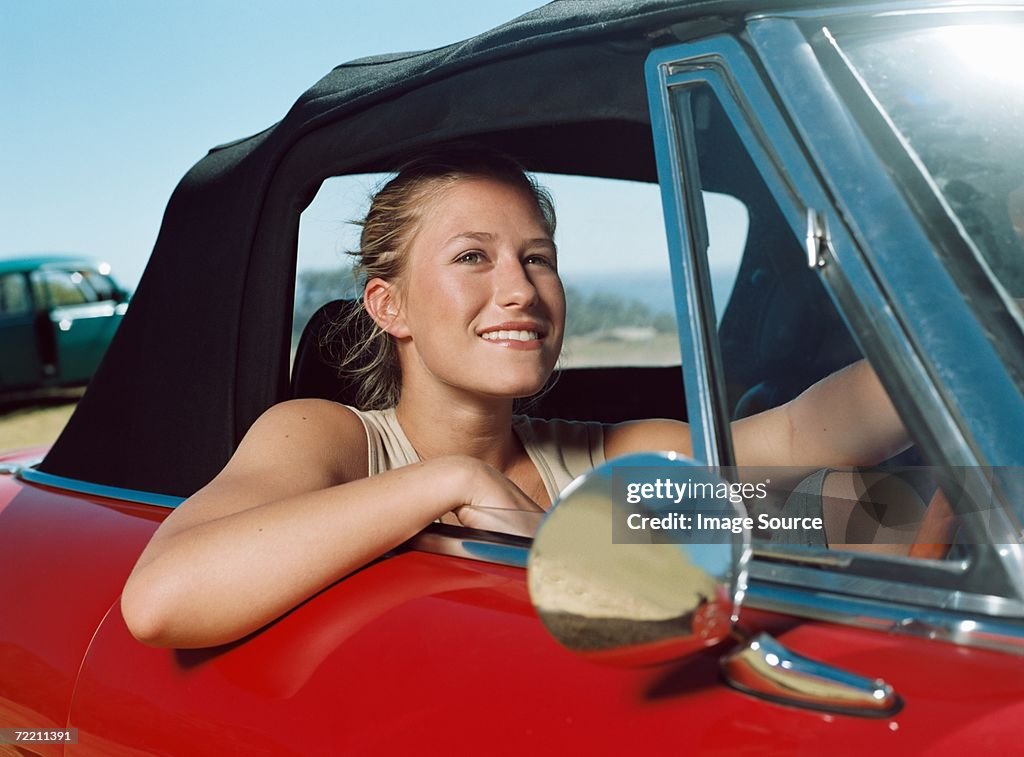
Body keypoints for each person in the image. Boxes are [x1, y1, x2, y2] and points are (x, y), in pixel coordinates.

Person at [121, 148, 909, 649]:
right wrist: (450, 480)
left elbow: (812, 441)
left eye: (538, 258)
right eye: (473, 256)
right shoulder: (325, 435)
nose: (519, 290)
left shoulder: (607, 456)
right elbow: (162, 599)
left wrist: (960, 350)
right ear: (389, 307)